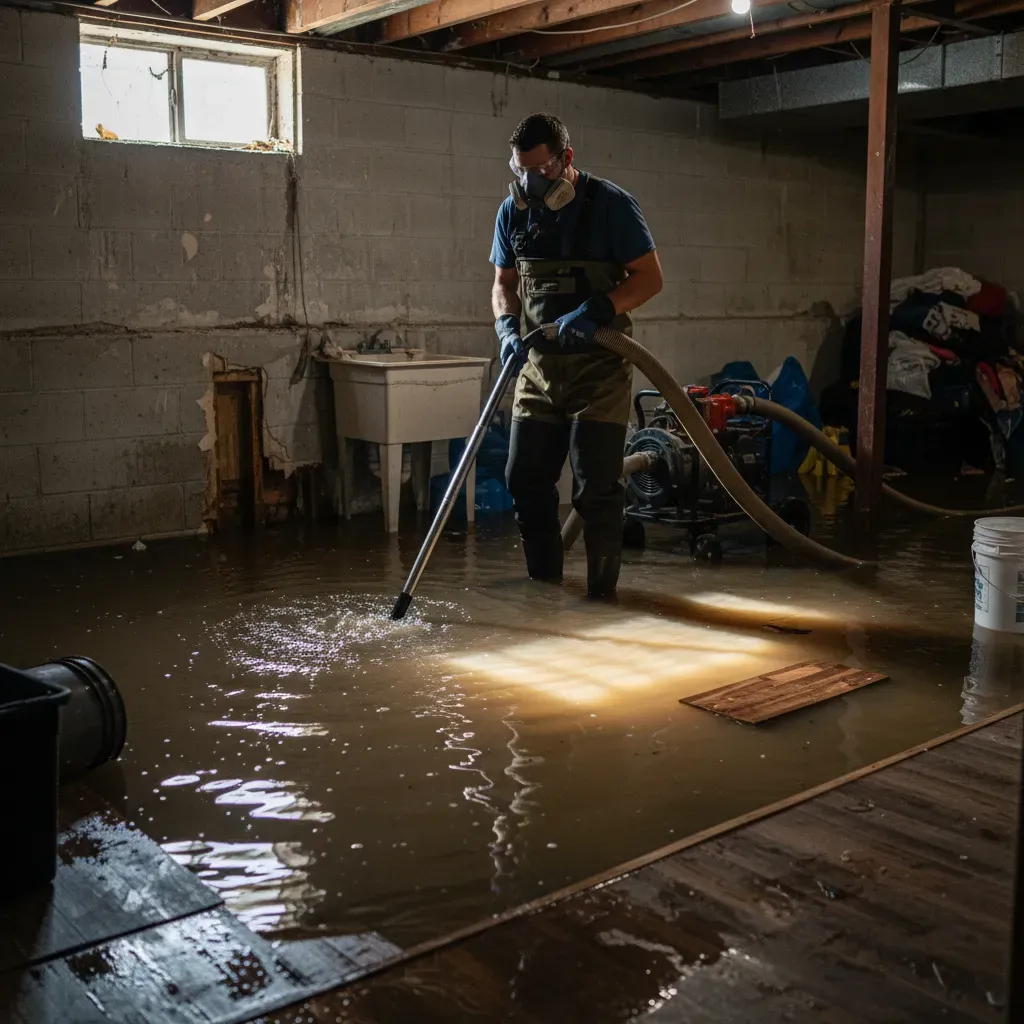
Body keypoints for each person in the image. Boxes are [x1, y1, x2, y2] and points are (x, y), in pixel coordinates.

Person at [490, 112, 663, 599]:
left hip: (598, 370)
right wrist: (506, 326)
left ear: (567, 160)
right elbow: (503, 283)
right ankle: (544, 589)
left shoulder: (610, 205)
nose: (532, 184)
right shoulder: (513, 212)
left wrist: (601, 307)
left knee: (597, 489)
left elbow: (650, 278)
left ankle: (601, 601)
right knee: (523, 478)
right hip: (538, 370)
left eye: (541, 172)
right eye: (521, 171)